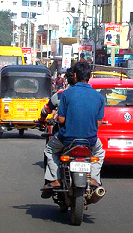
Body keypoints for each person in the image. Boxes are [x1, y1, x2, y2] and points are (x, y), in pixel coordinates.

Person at [43, 62, 105, 190]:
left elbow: (61, 119)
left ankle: (55, 179)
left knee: (49, 149)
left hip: (67, 138)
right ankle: (93, 178)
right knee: (100, 152)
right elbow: (98, 123)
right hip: (90, 140)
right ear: (89, 76)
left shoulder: (65, 94)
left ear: (75, 76)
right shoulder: (99, 97)